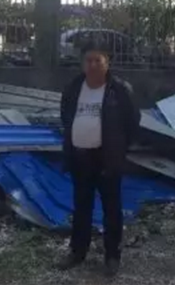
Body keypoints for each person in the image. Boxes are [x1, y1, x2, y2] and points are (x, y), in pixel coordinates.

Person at [57, 41, 141, 277]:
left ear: (107, 63)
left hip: (107, 160)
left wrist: (118, 150)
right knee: (81, 208)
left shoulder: (119, 90)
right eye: (89, 60)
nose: (93, 65)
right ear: (82, 64)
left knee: (111, 209)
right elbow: (66, 116)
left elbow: (133, 122)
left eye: (98, 60)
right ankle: (77, 252)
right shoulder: (74, 87)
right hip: (80, 158)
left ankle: (112, 256)